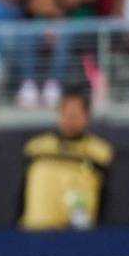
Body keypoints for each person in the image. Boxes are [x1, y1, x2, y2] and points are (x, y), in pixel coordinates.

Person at [20, 90, 113, 230]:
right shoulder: (36, 148)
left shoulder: (99, 151)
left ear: (86, 116)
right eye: (66, 113)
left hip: (76, 234)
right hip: (35, 232)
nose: (70, 118)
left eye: (75, 114)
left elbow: (107, 198)